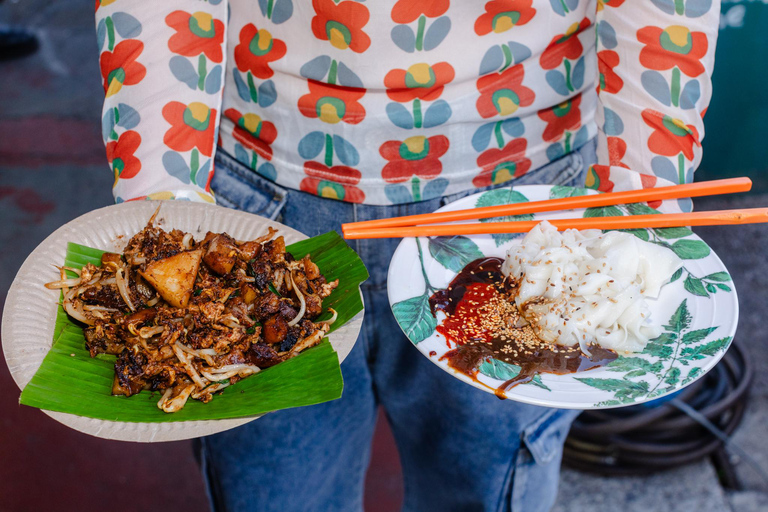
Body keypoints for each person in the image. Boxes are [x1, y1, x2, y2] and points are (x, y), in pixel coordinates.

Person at [93, 1, 719, 510]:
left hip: (523, 213)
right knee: (275, 492)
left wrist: (644, 190)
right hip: (256, 191)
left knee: (486, 491)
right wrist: (166, 202)